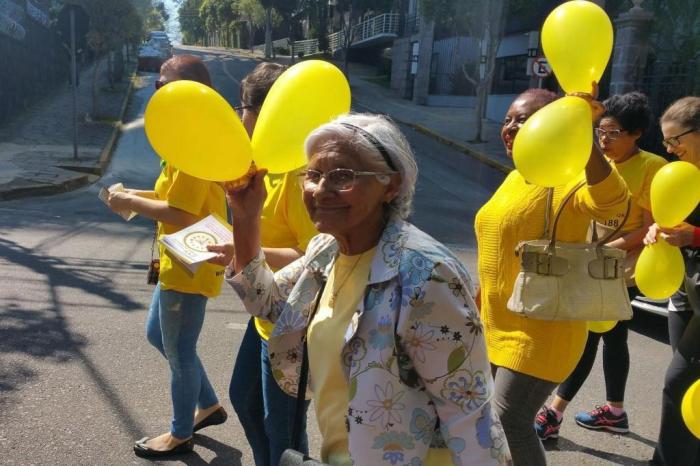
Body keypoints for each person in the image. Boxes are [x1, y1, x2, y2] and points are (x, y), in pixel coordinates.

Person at [224, 113, 511, 465]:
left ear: (391, 185)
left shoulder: (425, 274)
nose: (322, 189)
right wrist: (245, 216)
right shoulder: (326, 251)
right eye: (313, 175)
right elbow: (265, 301)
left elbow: (469, 408)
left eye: (343, 176)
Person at [474, 87, 629, 466]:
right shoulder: (515, 178)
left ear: (551, 125)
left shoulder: (571, 178)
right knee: (487, 421)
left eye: (523, 120)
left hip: (543, 328)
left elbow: (611, 202)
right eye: (508, 119)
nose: (510, 127)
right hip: (494, 322)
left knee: (511, 418)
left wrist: (583, 137)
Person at [107, 55, 228, 458]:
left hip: (190, 265)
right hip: (176, 259)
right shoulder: (183, 139)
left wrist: (132, 204)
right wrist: (131, 197)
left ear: (190, 91)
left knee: (178, 351)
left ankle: (180, 434)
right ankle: (207, 404)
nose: (157, 90)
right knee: (159, 336)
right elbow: (169, 197)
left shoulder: (196, 144)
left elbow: (182, 213)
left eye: (164, 83)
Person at [535, 91, 667, 439]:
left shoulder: (652, 168)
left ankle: (553, 413)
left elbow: (651, 226)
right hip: (590, 261)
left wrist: (605, 251)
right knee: (612, 336)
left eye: (613, 133)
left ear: (636, 133)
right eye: (601, 132)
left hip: (619, 267)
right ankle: (615, 410)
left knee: (589, 335)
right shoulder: (597, 162)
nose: (604, 141)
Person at [207, 62, 318, 466]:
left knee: (283, 429)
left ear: (267, 114)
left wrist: (241, 249)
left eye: (243, 108)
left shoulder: (300, 175)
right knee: (246, 400)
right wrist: (240, 242)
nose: (239, 117)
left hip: (294, 320)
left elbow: (315, 256)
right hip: (266, 313)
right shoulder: (262, 168)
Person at [645, 96, 700, 466]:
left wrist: (693, 237)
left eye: (675, 139)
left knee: (678, 383)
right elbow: (674, 216)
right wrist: (657, 229)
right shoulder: (685, 173)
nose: (669, 148)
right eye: (665, 141)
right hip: (684, 290)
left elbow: (693, 231)